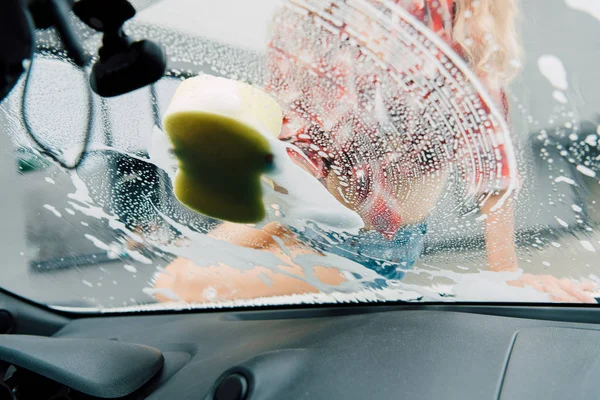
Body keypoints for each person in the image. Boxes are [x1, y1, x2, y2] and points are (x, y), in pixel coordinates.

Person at [153, 0, 597, 303]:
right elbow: (293, 120)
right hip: (292, 207)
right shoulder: (318, 17)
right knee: (167, 286)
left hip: (363, 246)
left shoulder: (440, 18)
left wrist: (508, 273)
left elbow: (489, 149)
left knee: (185, 286)